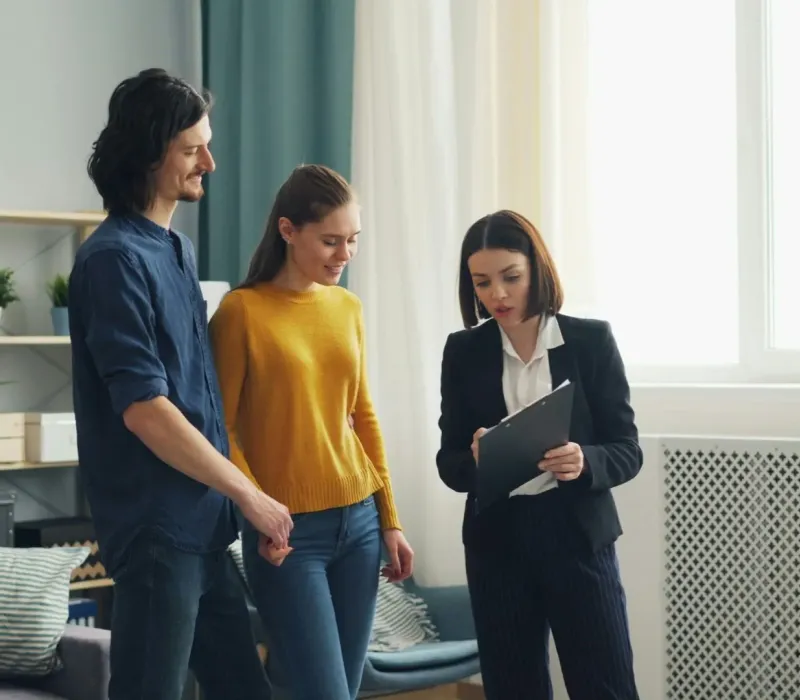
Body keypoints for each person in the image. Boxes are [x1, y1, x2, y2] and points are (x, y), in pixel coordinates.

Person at [69, 68, 293, 700]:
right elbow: (145, 409)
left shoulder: (176, 249)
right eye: (194, 149)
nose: (210, 164)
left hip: (202, 527)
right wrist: (249, 495)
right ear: (149, 153)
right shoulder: (113, 259)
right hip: (156, 531)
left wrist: (238, 503)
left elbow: (200, 399)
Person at [208, 164, 414, 700]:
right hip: (289, 536)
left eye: (353, 240)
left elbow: (363, 416)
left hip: (360, 523)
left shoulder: (347, 307)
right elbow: (221, 430)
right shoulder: (241, 312)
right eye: (330, 241)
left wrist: (390, 519)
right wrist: (258, 508)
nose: (344, 254)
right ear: (287, 230)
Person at [436, 210, 642, 700]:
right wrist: (477, 460)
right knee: (513, 689)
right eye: (482, 282)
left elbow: (627, 450)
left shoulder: (590, 341)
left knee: (606, 686)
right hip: (498, 543)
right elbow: (449, 464)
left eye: (511, 277)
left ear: (537, 268)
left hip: (576, 535)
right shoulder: (463, 351)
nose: (497, 295)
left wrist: (584, 460)